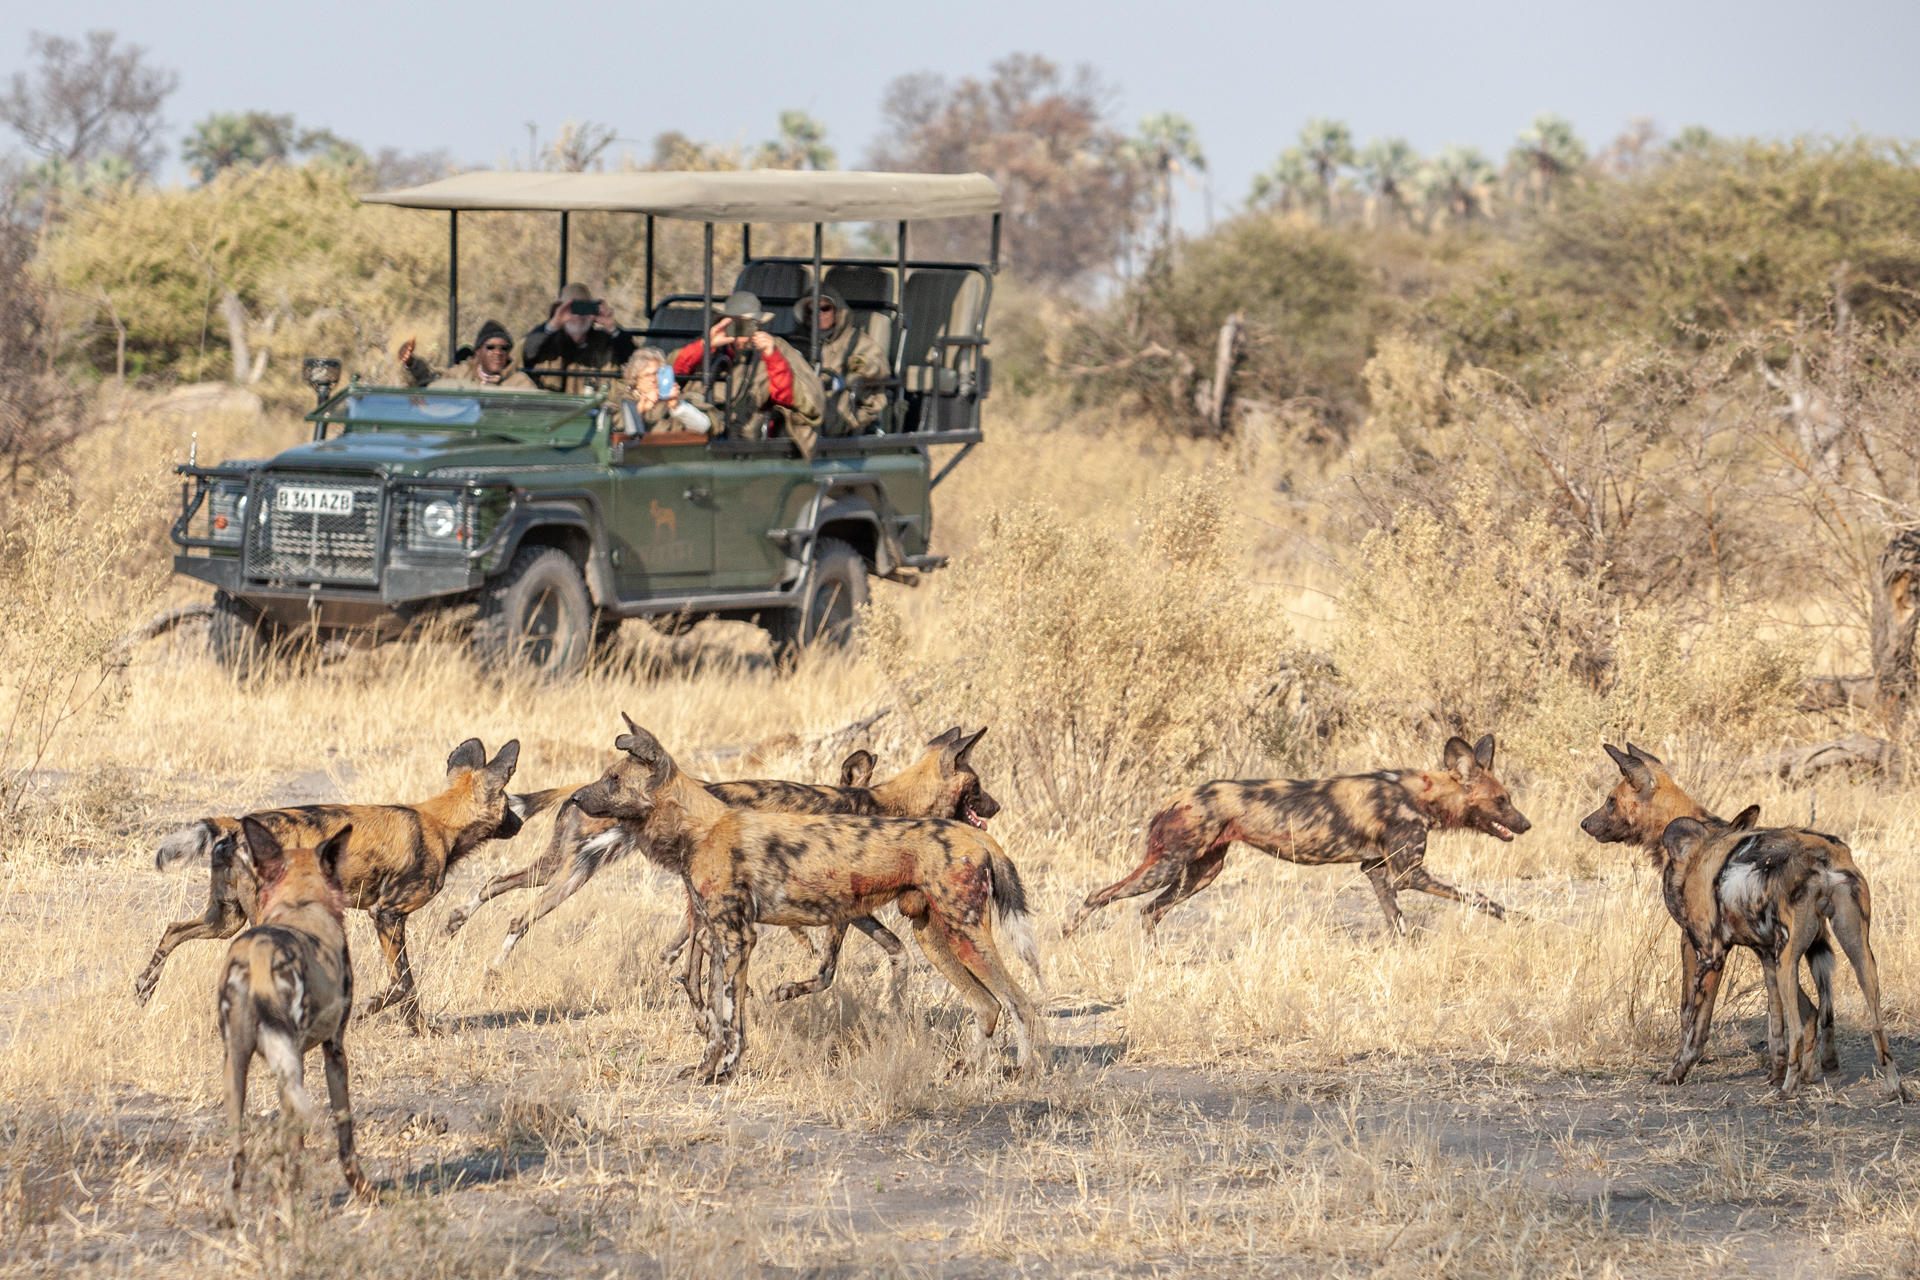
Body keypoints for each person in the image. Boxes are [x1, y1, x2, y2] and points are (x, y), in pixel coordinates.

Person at [670, 291, 825, 455]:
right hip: (697, 435)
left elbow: (792, 397)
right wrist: (705, 346)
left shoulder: (775, 349)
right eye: (733, 325)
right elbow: (672, 376)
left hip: (750, 441)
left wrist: (773, 357)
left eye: (747, 325)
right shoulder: (709, 346)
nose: (740, 332)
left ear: (758, 325)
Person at [795, 289, 890, 435]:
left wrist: (858, 366)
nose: (817, 314)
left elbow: (877, 366)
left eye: (824, 309)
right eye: (810, 310)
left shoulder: (856, 341)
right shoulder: (796, 340)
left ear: (837, 311)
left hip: (839, 405)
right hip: (797, 399)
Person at [523, 282, 635, 392]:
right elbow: (527, 351)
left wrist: (612, 328)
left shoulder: (606, 342)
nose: (577, 315)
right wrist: (552, 324)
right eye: (571, 309)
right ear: (558, 310)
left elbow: (634, 361)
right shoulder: (547, 341)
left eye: (583, 308)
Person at [396, 320, 536, 388]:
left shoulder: (520, 382)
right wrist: (411, 362)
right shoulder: (462, 373)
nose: (497, 352)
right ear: (478, 352)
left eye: (504, 348)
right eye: (490, 347)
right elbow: (432, 378)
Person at [622, 347, 715, 434]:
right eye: (647, 375)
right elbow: (617, 432)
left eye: (656, 373)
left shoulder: (678, 398)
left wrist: (676, 406)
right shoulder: (625, 400)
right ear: (636, 381)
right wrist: (640, 409)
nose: (653, 379)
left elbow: (704, 426)